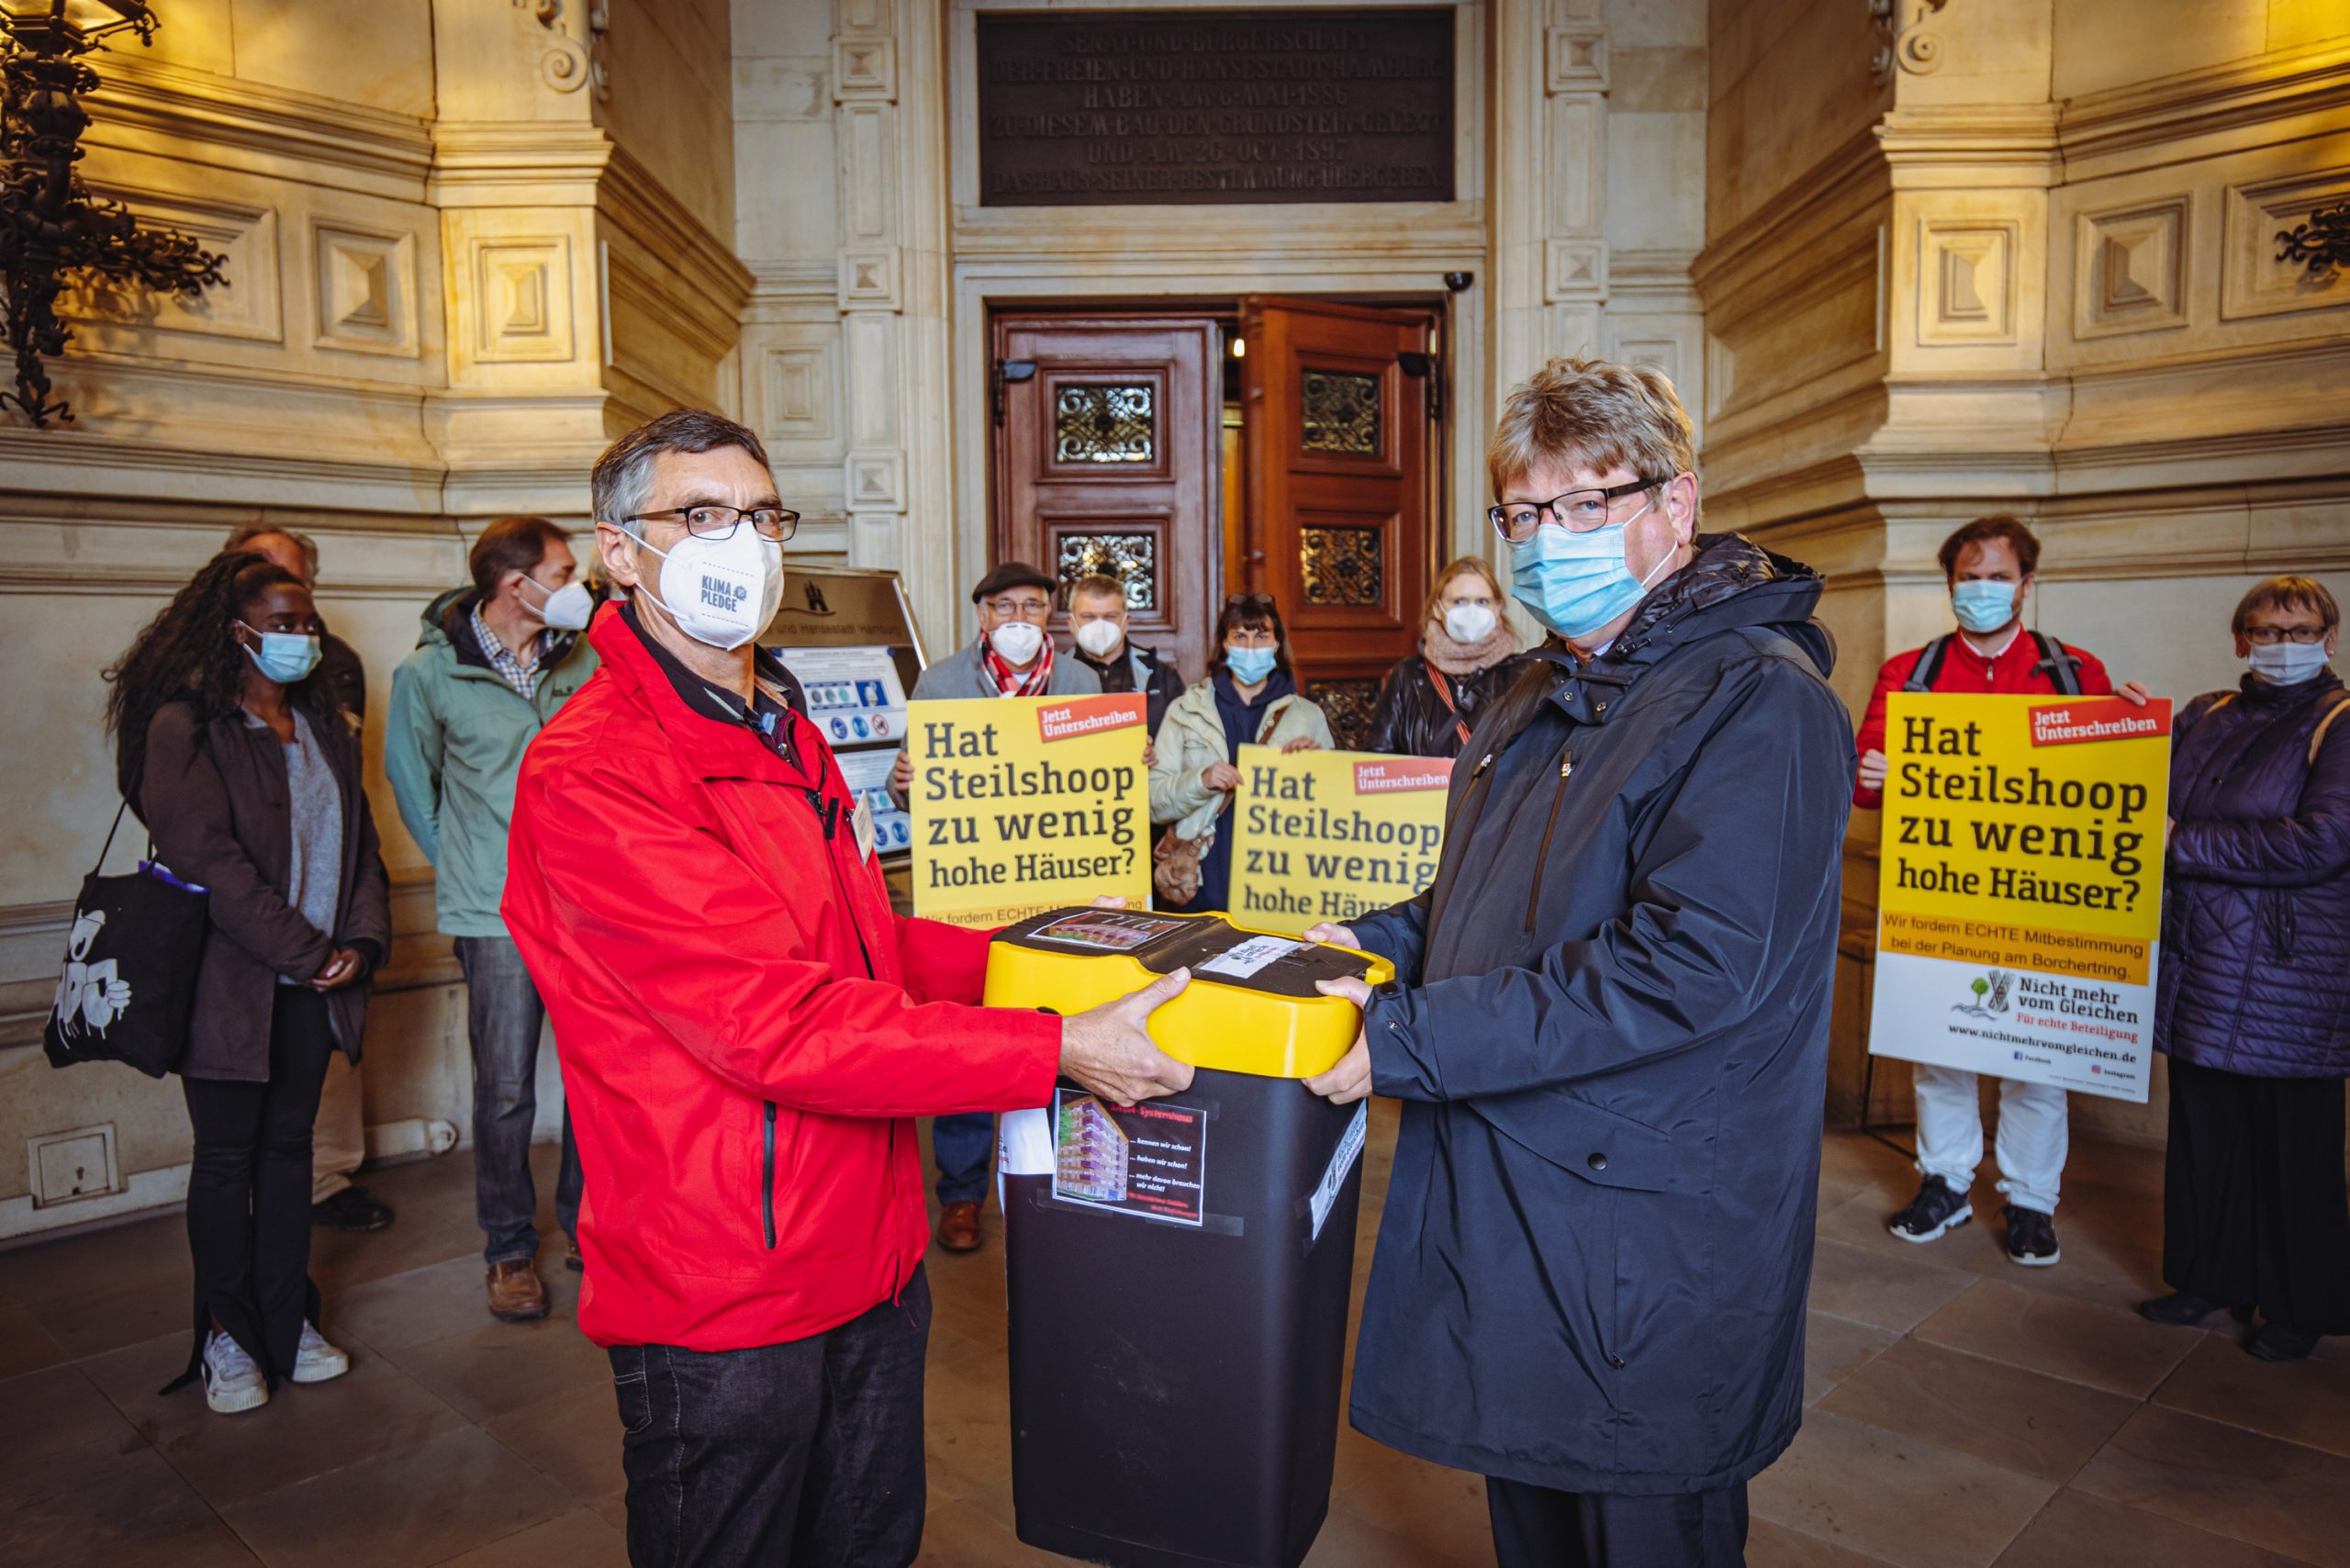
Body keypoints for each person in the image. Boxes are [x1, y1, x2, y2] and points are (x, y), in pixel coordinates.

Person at [500, 409, 1194, 1566]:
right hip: (726, 1289)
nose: (745, 542)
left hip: (869, 1252)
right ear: (622, 552)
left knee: (871, 1544)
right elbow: (777, 1022)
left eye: (762, 515)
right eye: (702, 515)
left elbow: (861, 947)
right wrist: (1051, 1046)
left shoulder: (778, 723)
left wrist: (1055, 959)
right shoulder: (596, 770)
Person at [1298, 356, 1853, 1565]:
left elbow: (1689, 967)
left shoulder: (1758, 704)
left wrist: (1403, 1042)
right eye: (1522, 513)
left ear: (1676, 507)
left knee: (1641, 1518)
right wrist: (1375, 944)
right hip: (1516, 1195)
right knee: (1538, 1506)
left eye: (1584, 505)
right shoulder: (1534, 689)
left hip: (1647, 1233)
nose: (1547, 541)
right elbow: (1497, 894)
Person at [103, 551, 391, 1415]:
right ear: (237, 634)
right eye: (282, 624)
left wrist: (362, 945)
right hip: (229, 989)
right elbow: (207, 862)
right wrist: (306, 952)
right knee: (227, 1163)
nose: (302, 637)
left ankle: (284, 1320)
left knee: (290, 1156)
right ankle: (226, 1337)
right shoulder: (184, 725)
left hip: (316, 987)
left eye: (309, 623)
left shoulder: (327, 726)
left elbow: (363, 853)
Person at [1855, 515, 2151, 1266]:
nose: (1982, 590)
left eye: (1997, 577)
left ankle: (2029, 1201)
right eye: (1968, 577)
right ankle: (1946, 1183)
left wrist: (2132, 731)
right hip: (1939, 897)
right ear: (1949, 584)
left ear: (2026, 584)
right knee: (1939, 1050)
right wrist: (1870, 773)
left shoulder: (2071, 671)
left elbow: (2106, 784)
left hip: (2038, 900)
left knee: (2036, 1059)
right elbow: (1862, 779)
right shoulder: (1909, 674)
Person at [385, 516, 599, 1319]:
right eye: (566, 571)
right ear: (518, 585)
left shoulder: (588, 658)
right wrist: (472, 874)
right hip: (495, 915)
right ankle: (508, 1249)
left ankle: (589, 1226)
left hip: (586, 913)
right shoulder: (429, 676)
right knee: (505, 1088)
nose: (580, 586)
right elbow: (415, 790)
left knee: (592, 1077)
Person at [2139, 576, 2350, 1362]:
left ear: (2329, 640)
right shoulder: (2206, 715)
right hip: (2204, 963)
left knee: (2295, 1151)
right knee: (2205, 1135)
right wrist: (2121, 729)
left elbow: (2321, 842)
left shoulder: (2342, 723)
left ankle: (2299, 1307)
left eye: (2300, 632)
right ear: (2240, 642)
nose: (2282, 645)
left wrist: (2183, 842)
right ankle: (2206, 1277)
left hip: (2294, 976)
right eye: (2266, 631)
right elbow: (2138, 793)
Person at [887, 559, 1102, 1253]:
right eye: (1003, 607)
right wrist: (900, 781)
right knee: (970, 1033)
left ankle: (1058, 1179)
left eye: (1032, 607)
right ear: (982, 616)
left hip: (1055, 891)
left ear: (1050, 616)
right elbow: (912, 791)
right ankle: (961, 1191)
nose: (1018, 621)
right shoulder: (941, 684)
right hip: (972, 898)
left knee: (1056, 1026)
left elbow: (1100, 790)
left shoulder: (1082, 683)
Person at [221, 527, 392, 1236]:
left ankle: (328, 1181)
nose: (294, 625)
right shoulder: (196, 704)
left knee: (311, 1101)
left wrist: (356, 937)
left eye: (297, 587)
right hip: (242, 936)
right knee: (234, 1146)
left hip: (325, 926)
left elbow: (345, 805)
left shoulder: (333, 671)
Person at [1147, 593, 1334, 913]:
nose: (1250, 648)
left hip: (1277, 884)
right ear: (1224, 643)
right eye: (1240, 636)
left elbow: (1334, 813)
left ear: (1276, 644)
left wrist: (1317, 767)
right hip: (1202, 879)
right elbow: (1153, 803)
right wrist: (1201, 780)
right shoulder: (1185, 710)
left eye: (1261, 636)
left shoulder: (1308, 716)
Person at [1365, 554, 1521, 756]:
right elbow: (1378, 755)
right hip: (1422, 788)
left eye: (1482, 601)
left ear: (1497, 608)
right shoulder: (1409, 675)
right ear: (1438, 609)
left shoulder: (1522, 674)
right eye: (1459, 601)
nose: (1472, 611)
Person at [1065, 572, 1184, 740]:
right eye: (1088, 617)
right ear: (1071, 623)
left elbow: (1184, 740)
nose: (1100, 625)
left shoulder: (1161, 676)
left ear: (1126, 622)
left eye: (1110, 617)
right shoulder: (1055, 675)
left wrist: (1157, 753)